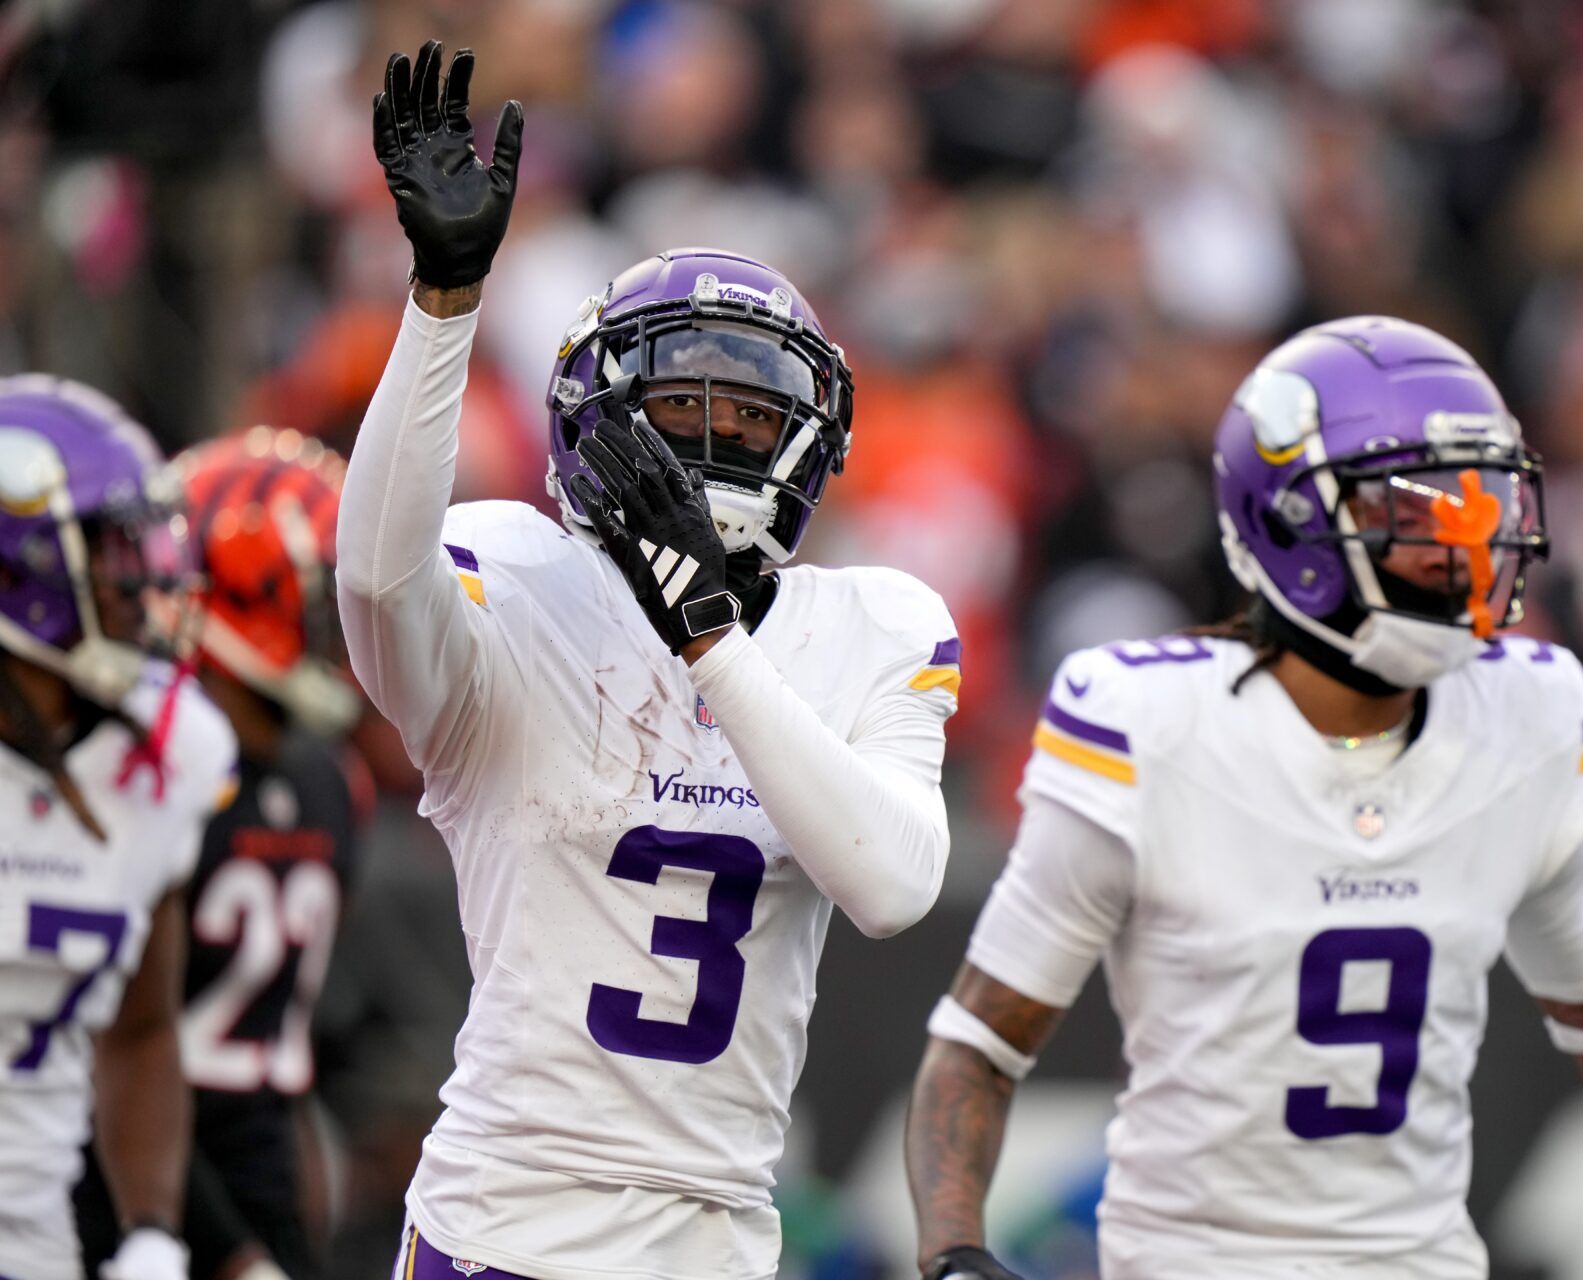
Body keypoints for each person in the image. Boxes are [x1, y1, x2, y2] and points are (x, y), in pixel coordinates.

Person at [902, 318, 1583, 1280]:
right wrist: (953, 1250)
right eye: (1412, 511)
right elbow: (980, 1044)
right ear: (1286, 517)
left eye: (1479, 505)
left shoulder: (1524, 715)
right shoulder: (1149, 722)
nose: (1457, 544)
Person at [342, 44, 960, 1279]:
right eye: (684, 410)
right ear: (600, 426)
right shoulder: (521, 581)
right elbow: (372, 579)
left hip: (718, 1237)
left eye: (754, 417)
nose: (720, 441)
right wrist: (442, 304)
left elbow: (893, 882)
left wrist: (713, 641)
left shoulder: (875, 624)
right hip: (505, 1227)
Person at [73, 428, 366, 1280]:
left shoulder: (326, 780)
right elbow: (117, 1040)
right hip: (128, 1182)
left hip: (260, 1175)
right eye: (317, 603)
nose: (337, 633)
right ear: (244, 588)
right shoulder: (147, 767)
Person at [0, 376, 239, 1280]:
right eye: (111, 547)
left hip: (35, 1239)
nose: (146, 573)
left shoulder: (176, 753)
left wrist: (150, 1230)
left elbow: (140, 1030)